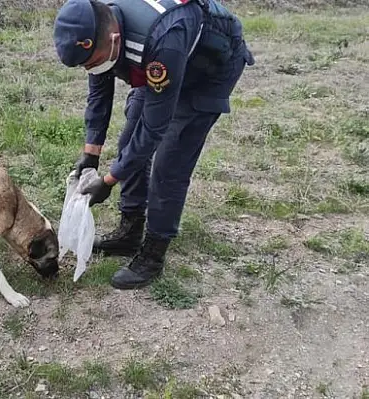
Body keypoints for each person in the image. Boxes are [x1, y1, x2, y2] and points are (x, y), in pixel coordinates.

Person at [53, 0, 254, 289]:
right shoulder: (97, 28)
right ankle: (130, 231)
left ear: (113, 38)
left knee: (170, 162)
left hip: (210, 68)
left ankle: (154, 252)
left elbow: (153, 130)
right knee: (128, 142)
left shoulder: (162, 39)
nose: (91, 68)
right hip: (167, 59)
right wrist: (90, 154)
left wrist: (108, 181)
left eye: (92, 61)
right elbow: (99, 95)